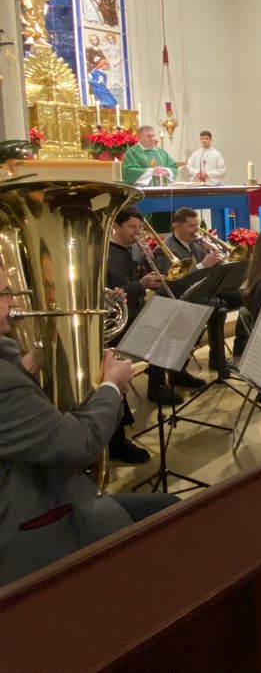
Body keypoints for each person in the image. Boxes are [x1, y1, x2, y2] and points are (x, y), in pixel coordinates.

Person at [0, 266, 178, 587]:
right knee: (176, 516)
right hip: (29, 525)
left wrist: (32, 360)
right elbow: (79, 446)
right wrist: (111, 385)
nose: (13, 302)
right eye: (4, 293)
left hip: (39, 493)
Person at [154, 207, 245, 376]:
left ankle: (238, 347)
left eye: (196, 225)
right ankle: (213, 361)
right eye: (191, 226)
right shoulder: (166, 249)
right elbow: (174, 284)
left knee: (244, 296)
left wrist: (216, 256)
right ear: (177, 226)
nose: (195, 230)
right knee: (219, 307)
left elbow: (208, 273)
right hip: (179, 298)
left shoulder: (194, 244)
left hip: (200, 292)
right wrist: (203, 265)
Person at [105, 207, 163, 462]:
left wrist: (147, 267)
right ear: (116, 226)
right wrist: (139, 285)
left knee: (165, 332)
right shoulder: (106, 253)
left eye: (140, 227)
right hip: (114, 325)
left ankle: (157, 386)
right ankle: (116, 439)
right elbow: (109, 294)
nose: (137, 233)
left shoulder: (133, 250)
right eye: (132, 227)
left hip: (135, 314)